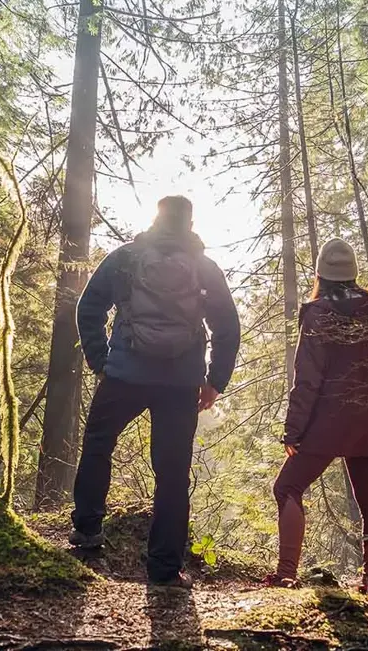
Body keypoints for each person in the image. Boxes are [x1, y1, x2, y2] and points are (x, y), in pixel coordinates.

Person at [70, 195, 241, 589]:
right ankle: (164, 568)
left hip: (125, 374)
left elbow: (89, 308)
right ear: (190, 222)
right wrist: (215, 380)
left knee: (98, 443)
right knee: (172, 472)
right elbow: (227, 327)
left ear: (156, 217)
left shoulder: (126, 258)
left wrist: (101, 359)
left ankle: (88, 531)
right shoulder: (204, 267)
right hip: (180, 382)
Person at [265, 238, 368, 593]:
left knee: (287, 486)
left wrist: (293, 431)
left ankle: (287, 574)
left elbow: (308, 380)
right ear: (353, 273)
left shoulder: (318, 314)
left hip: (324, 423)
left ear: (320, 273)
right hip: (366, 421)